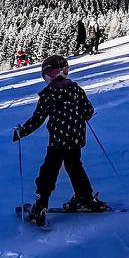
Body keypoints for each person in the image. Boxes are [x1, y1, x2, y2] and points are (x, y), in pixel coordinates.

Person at [12, 54, 109, 225]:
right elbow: (88, 111)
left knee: (49, 171)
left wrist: (21, 132)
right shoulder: (76, 89)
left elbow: (37, 119)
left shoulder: (49, 94)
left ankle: (40, 206)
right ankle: (84, 198)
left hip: (57, 142)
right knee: (75, 167)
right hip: (76, 139)